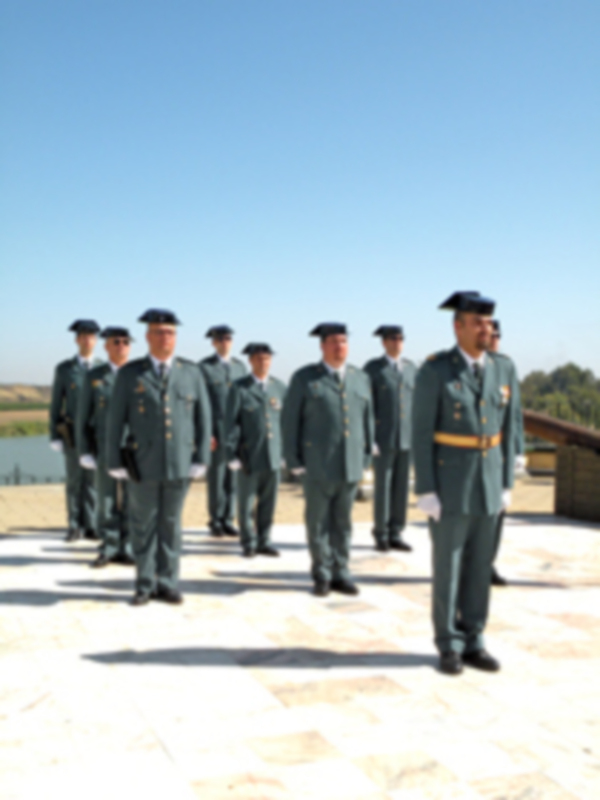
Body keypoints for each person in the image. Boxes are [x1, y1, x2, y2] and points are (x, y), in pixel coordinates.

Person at [412, 292, 518, 675]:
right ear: (458, 326)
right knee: (450, 567)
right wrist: (425, 489)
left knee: (479, 568)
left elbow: (510, 426)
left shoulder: (503, 368)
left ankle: (475, 639)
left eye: (489, 323)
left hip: (489, 482)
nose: (486, 329)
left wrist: (507, 479)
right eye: (477, 322)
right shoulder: (436, 371)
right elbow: (421, 432)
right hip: (451, 483)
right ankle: (448, 643)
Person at [107, 309, 212, 605]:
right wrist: (114, 461)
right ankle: (144, 584)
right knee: (143, 526)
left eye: (170, 332)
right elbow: (115, 420)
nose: (166, 337)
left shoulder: (191, 372)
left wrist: (201, 457)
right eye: (159, 332)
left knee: (171, 525)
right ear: (147, 336)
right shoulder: (131, 374)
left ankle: (167, 582)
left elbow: (204, 418)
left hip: (180, 463)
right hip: (143, 465)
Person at [282, 323, 374, 596]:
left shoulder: (360, 378)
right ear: (322, 346)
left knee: (343, 523)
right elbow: (290, 422)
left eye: (343, 341)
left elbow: (367, 422)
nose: (339, 346)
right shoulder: (305, 378)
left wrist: (366, 457)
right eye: (333, 341)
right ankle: (322, 573)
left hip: (349, 464)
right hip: (317, 464)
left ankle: (341, 572)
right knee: (318, 522)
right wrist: (293, 459)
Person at [77, 326, 135, 568]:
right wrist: (84, 450)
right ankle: (109, 547)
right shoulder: (95, 376)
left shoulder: (139, 373)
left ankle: (129, 547)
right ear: (106, 346)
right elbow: (83, 416)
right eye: (116, 341)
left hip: (135, 448)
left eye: (125, 341)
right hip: (105, 447)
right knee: (107, 500)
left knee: (133, 500)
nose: (121, 345)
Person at [225, 343, 286, 558]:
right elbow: (231, 423)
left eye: (267, 359)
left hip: (273, 455)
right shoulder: (239, 387)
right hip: (248, 456)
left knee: (269, 502)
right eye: (258, 359)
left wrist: (285, 453)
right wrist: (231, 453)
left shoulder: (279, 387)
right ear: (250, 361)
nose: (263, 362)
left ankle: (265, 540)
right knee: (246, 503)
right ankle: (248, 542)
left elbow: (286, 423)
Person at [364, 325, 417, 553]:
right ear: (384, 342)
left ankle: (396, 531)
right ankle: (381, 533)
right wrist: (370, 438)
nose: (397, 342)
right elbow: (367, 406)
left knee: (402, 488)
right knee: (383, 488)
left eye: (400, 338)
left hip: (406, 438)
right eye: (393, 339)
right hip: (383, 439)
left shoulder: (411, 368)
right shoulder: (374, 369)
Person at [49, 319, 103, 542]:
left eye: (91, 336)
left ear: (96, 340)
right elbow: (55, 404)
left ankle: (90, 524)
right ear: (76, 340)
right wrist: (54, 435)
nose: (87, 340)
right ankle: (74, 525)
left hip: (95, 434)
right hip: (72, 434)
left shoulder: (102, 368)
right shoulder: (65, 369)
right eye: (83, 336)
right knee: (74, 481)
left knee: (93, 482)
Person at [488, 319, 525, 586]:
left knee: (497, 515)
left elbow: (514, 415)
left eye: (497, 335)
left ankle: (487, 564)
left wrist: (519, 450)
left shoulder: (505, 368)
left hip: (500, 455)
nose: (494, 339)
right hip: (472, 455)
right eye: (491, 334)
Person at [200, 326, 247, 537]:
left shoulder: (240, 367)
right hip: (216, 431)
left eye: (228, 338)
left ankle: (229, 519)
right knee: (217, 477)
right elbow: (203, 404)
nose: (224, 342)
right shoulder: (204, 368)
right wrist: (206, 433)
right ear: (213, 342)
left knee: (233, 477)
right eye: (220, 339)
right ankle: (216, 519)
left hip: (235, 431)